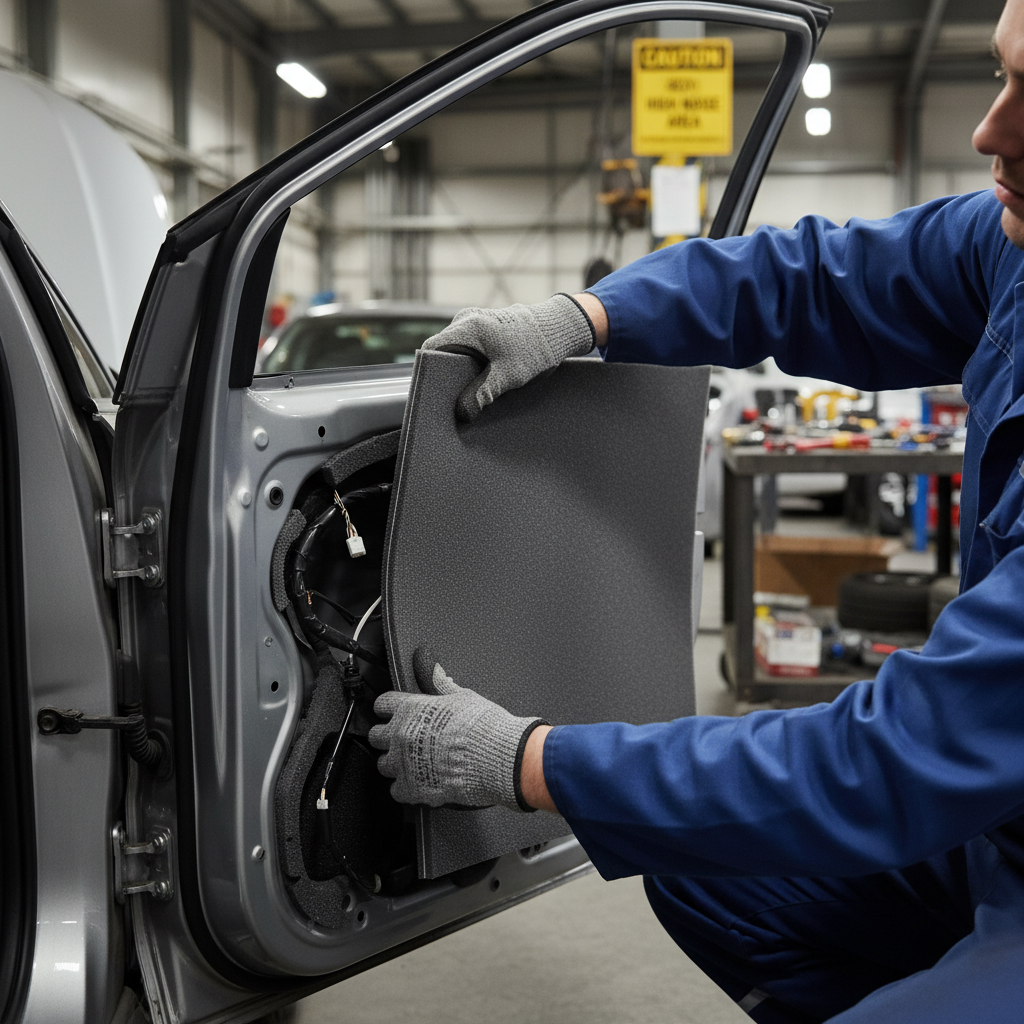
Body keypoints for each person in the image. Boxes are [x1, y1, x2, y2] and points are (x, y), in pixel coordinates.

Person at [368, 2, 1024, 1020]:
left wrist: (526, 760)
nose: (990, 130)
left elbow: (887, 763)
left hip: (971, 798)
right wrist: (593, 314)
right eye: (1001, 74)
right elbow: (815, 279)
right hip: (1000, 820)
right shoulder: (1014, 248)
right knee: (706, 868)